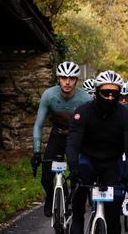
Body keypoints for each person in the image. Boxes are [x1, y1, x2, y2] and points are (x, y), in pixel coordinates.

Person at [67, 70, 128, 234]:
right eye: (105, 93)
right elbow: (73, 143)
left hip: (111, 164)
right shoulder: (83, 112)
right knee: (80, 184)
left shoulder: (126, 115)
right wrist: (73, 167)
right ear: (97, 92)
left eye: (114, 94)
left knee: (114, 216)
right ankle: (78, 219)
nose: (110, 97)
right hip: (88, 159)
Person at [31, 61, 91, 217]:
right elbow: (38, 124)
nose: (67, 82)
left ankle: (73, 202)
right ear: (58, 79)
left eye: (71, 78)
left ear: (76, 81)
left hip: (77, 137)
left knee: (77, 174)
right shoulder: (49, 95)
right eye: (64, 78)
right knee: (45, 178)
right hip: (57, 135)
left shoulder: (85, 98)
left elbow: (93, 126)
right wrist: (37, 152)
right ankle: (50, 197)